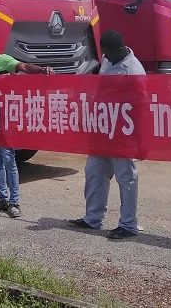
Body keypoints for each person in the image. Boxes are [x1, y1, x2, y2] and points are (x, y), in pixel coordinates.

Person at [0, 31, 52, 219]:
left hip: (4, 119)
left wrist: (41, 70)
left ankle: (14, 202)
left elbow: (23, 66)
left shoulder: (2, 60)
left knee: (9, 159)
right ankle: (3, 199)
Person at [70, 31, 143, 238]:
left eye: (108, 53)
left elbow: (142, 106)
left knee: (126, 178)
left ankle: (128, 224)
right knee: (94, 171)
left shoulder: (134, 70)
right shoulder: (108, 59)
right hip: (102, 129)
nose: (106, 57)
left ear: (120, 49)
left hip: (123, 132)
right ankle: (93, 218)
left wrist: (139, 140)